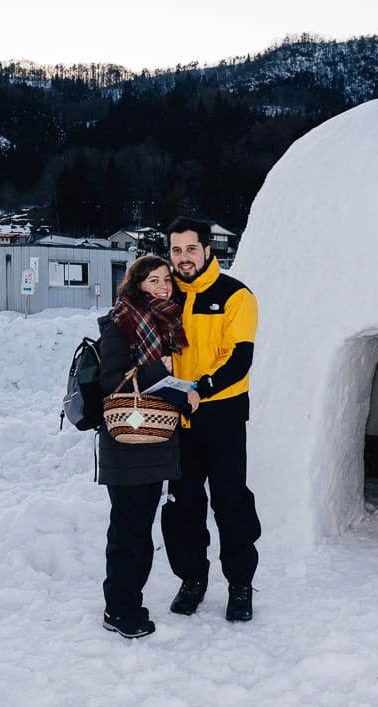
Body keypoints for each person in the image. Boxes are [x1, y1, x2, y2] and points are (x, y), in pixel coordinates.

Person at [161, 216, 262, 622]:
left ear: (207, 249)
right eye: (175, 250)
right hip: (178, 420)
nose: (183, 258)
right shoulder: (164, 295)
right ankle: (192, 579)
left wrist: (200, 388)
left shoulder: (236, 295)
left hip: (221, 416)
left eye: (190, 249)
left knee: (230, 502)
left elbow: (240, 358)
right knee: (183, 506)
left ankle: (240, 584)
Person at [98, 255, 190, 638]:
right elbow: (112, 383)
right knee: (128, 530)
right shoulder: (120, 323)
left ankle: (129, 601)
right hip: (126, 443)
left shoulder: (165, 324)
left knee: (139, 530)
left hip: (153, 442)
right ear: (135, 284)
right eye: (153, 280)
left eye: (166, 280)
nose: (163, 287)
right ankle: (119, 609)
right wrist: (161, 369)